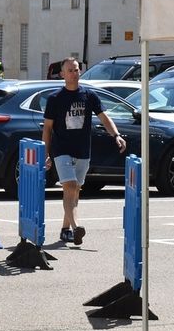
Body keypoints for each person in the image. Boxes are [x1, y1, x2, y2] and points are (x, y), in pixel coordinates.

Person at [42, 57, 126, 245]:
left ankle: (65, 230)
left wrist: (116, 135)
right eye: (70, 70)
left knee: (75, 191)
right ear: (62, 74)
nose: (74, 73)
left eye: (76, 70)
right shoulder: (55, 99)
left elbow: (104, 118)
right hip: (61, 149)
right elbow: (47, 128)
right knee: (70, 186)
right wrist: (45, 154)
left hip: (82, 150)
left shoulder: (89, 96)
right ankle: (76, 228)